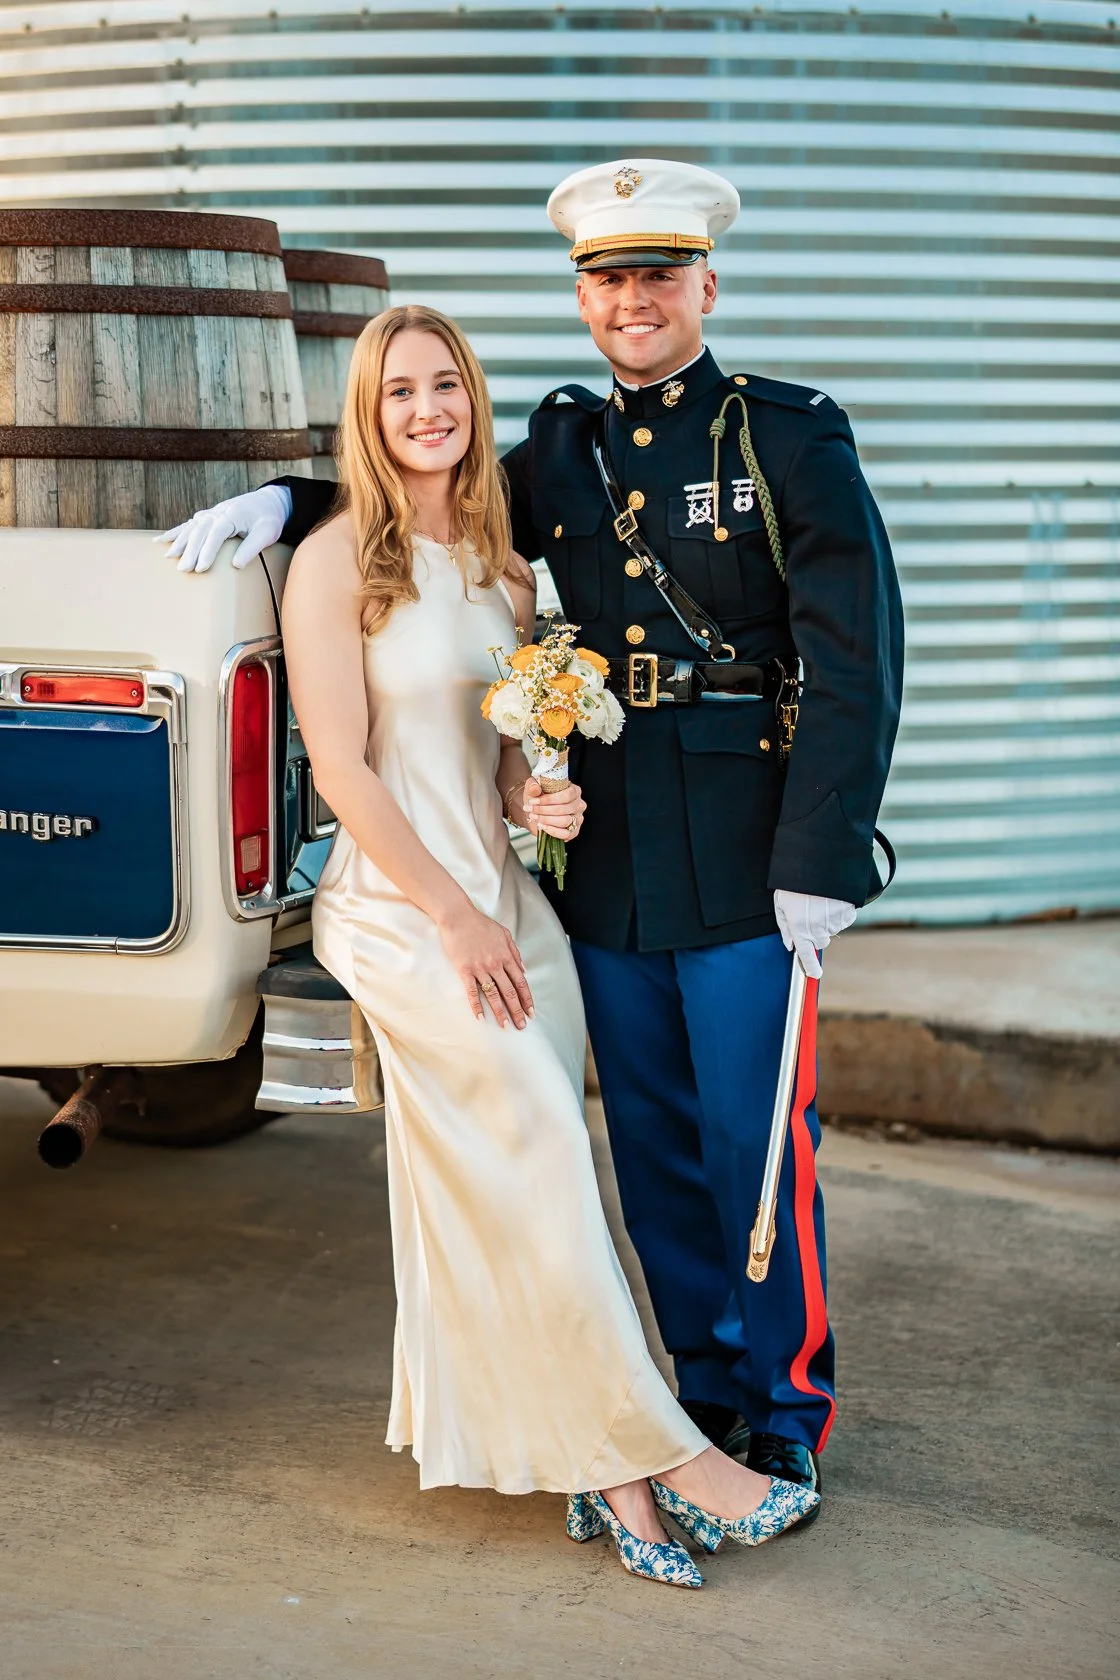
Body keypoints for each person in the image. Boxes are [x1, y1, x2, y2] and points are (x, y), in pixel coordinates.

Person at [163, 159, 903, 1517]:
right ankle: (693, 1383)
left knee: (754, 1137)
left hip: (749, 840)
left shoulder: (783, 437)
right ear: (582, 297)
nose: (634, 302)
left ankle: (784, 1407)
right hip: (609, 844)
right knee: (653, 1142)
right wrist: (289, 502)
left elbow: (855, 656)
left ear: (704, 287)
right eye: (609, 280)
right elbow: (420, 498)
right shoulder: (564, 449)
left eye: (658, 276)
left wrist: (826, 854)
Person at [260, 301, 817, 1588]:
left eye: (443, 385)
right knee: (537, 1156)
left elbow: (506, 751)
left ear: (472, 398)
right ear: (367, 411)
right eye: (397, 392)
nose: (424, 411)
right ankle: (652, 1467)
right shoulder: (340, 562)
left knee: (544, 1164)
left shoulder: (509, 571)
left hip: (512, 902)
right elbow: (341, 767)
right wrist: (452, 915)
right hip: (405, 913)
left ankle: (587, 1456)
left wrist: (533, 800)